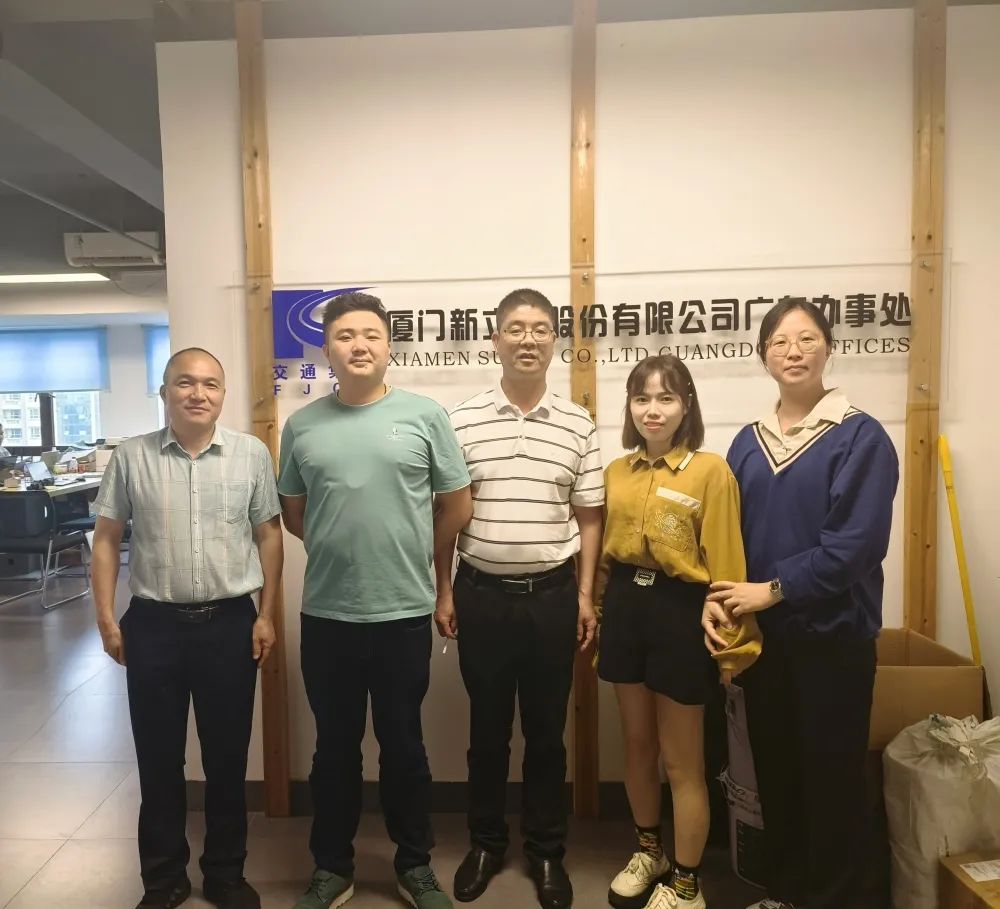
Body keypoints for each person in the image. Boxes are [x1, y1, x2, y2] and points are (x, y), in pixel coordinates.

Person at [279, 292, 472, 909]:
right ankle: (332, 868)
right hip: (327, 615)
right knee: (333, 750)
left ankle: (414, 865)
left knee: (404, 747)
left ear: (389, 345)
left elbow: (457, 505)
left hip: (403, 613)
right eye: (344, 336)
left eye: (370, 334)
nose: (358, 345)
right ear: (326, 348)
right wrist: (342, 545)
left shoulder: (424, 416)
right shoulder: (302, 425)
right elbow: (294, 513)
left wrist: (415, 551)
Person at [708, 300, 898, 909]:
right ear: (763, 355)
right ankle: (786, 893)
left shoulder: (860, 436)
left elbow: (855, 547)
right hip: (764, 642)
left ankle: (836, 899)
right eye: (780, 341)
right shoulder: (747, 442)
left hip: (833, 640)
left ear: (829, 348)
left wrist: (771, 589)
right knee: (777, 775)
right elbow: (727, 534)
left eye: (807, 339)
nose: (793, 351)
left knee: (832, 781)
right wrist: (720, 599)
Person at [91, 347, 284, 909]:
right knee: (158, 761)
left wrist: (266, 613)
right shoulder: (132, 457)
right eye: (185, 383)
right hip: (154, 626)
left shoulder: (250, 454)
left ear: (223, 394)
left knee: (227, 760)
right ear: (164, 392)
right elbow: (106, 538)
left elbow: (269, 535)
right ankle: (163, 879)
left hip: (230, 625)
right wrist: (106, 618)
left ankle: (225, 874)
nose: (198, 394)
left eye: (210, 384)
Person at [438, 288, 605, 909]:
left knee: (547, 734)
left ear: (555, 340)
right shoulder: (461, 420)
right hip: (481, 595)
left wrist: (585, 595)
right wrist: (444, 588)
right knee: (486, 732)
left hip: (553, 598)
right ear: (496, 339)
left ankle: (546, 851)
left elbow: (590, 516)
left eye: (539, 329)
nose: (527, 339)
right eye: (515, 328)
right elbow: (446, 514)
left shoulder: (578, 423)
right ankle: (485, 844)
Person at [598, 355, 761, 909]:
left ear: (686, 405)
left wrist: (732, 647)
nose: (653, 410)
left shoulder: (710, 471)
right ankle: (651, 852)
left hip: (681, 611)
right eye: (641, 398)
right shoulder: (617, 472)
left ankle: (687, 884)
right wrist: (597, 611)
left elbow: (727, 563)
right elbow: (605, 559)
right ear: (629, 406)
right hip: (626, 608)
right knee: (637, 747)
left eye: (666, 398)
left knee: (681, 760)